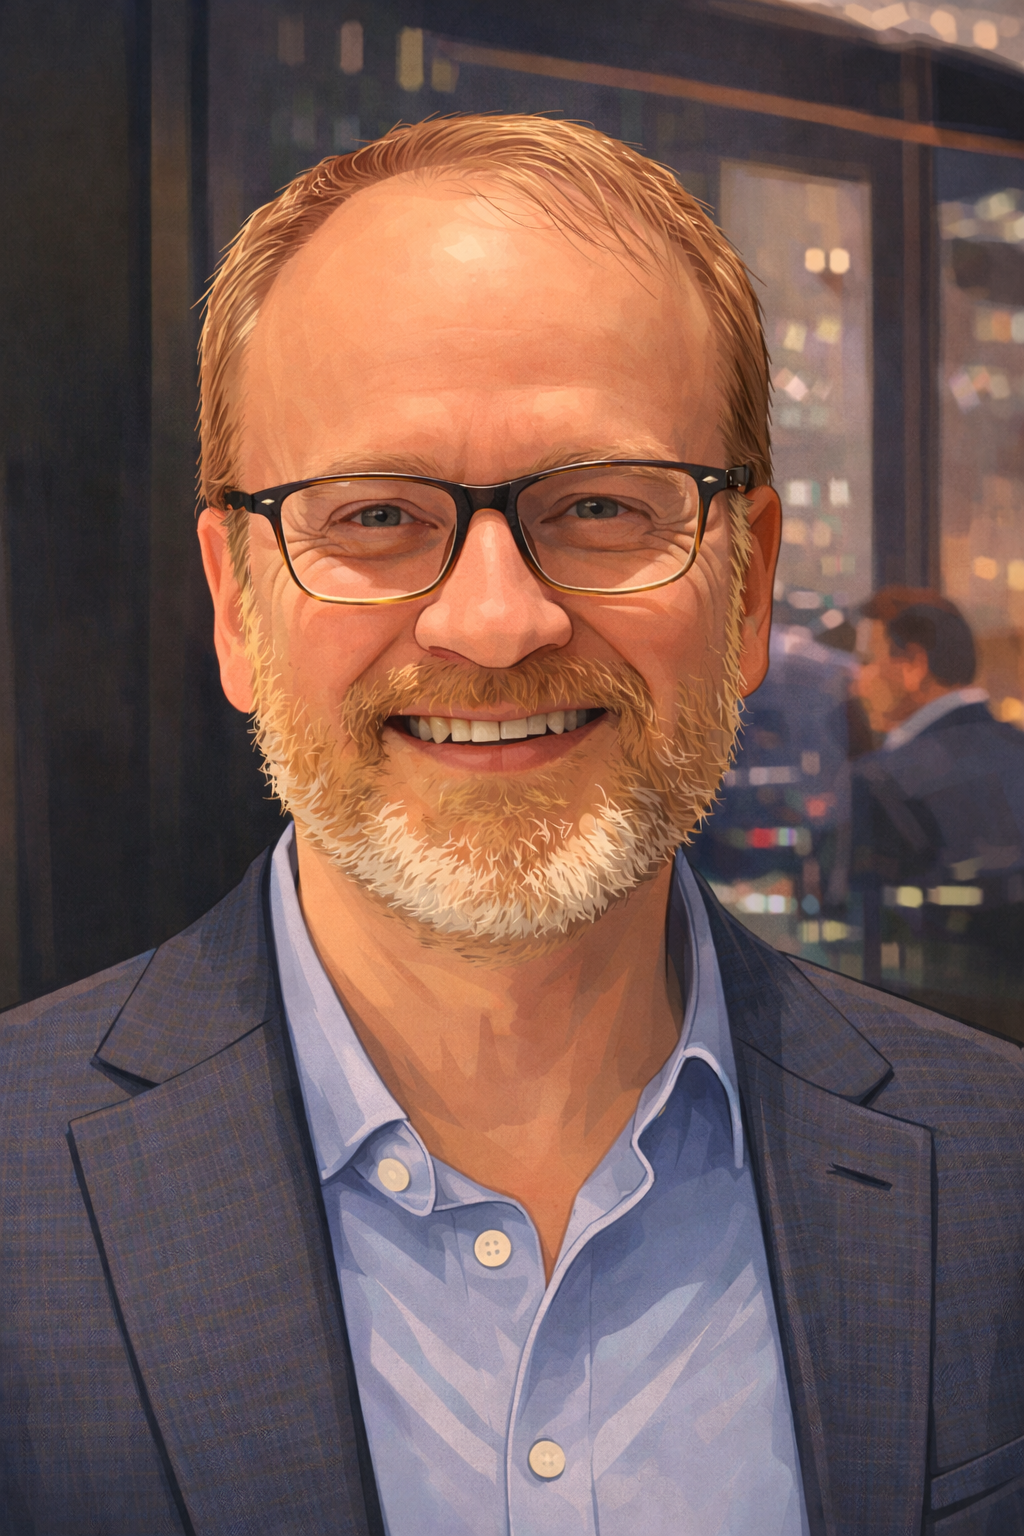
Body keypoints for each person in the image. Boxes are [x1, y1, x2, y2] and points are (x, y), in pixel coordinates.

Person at [1, 118, 1021, 1536]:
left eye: (601, 505)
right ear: (238, 604)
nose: (493, 623)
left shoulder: (996, 1172)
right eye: (374, 517)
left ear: (748, 589)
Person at [850, 586, 1024, 1036]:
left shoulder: (885, 781)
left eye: (867, 661)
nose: (857, 681)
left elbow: (863, 949)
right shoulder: (1017, 751)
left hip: (933, 1041)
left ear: (912, 664)